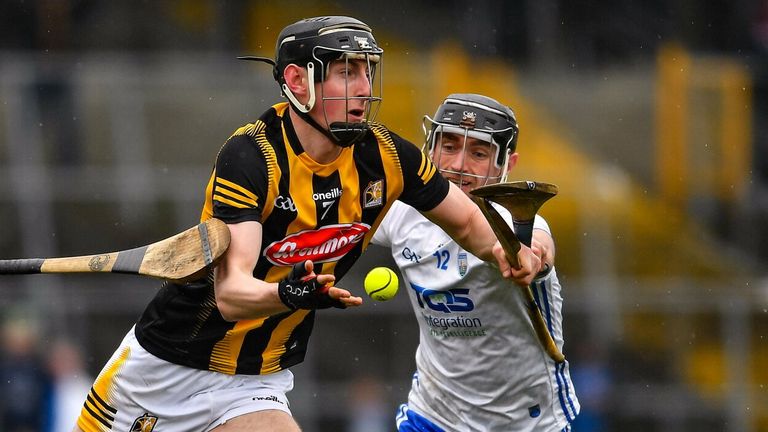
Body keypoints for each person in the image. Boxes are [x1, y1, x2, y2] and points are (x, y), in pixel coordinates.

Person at [74, 17, 540, 432]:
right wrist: (289, 294)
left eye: (366, 70)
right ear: (298, 81)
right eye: (346, 72)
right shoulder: (252, 157)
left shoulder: (388, 158)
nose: (363, 86)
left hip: (252, 384)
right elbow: (231, 295)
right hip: (163, 371)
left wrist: (506, 252)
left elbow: (470, 224)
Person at [372, 93, 580, 431]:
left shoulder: (516, 222)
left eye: (478, 153)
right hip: (433, 414)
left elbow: (540, 246)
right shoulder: (402, 213)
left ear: (506, 165)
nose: (458, 165)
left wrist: (532, 257)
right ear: (430, 146)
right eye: (449, 147)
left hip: (525, 422)